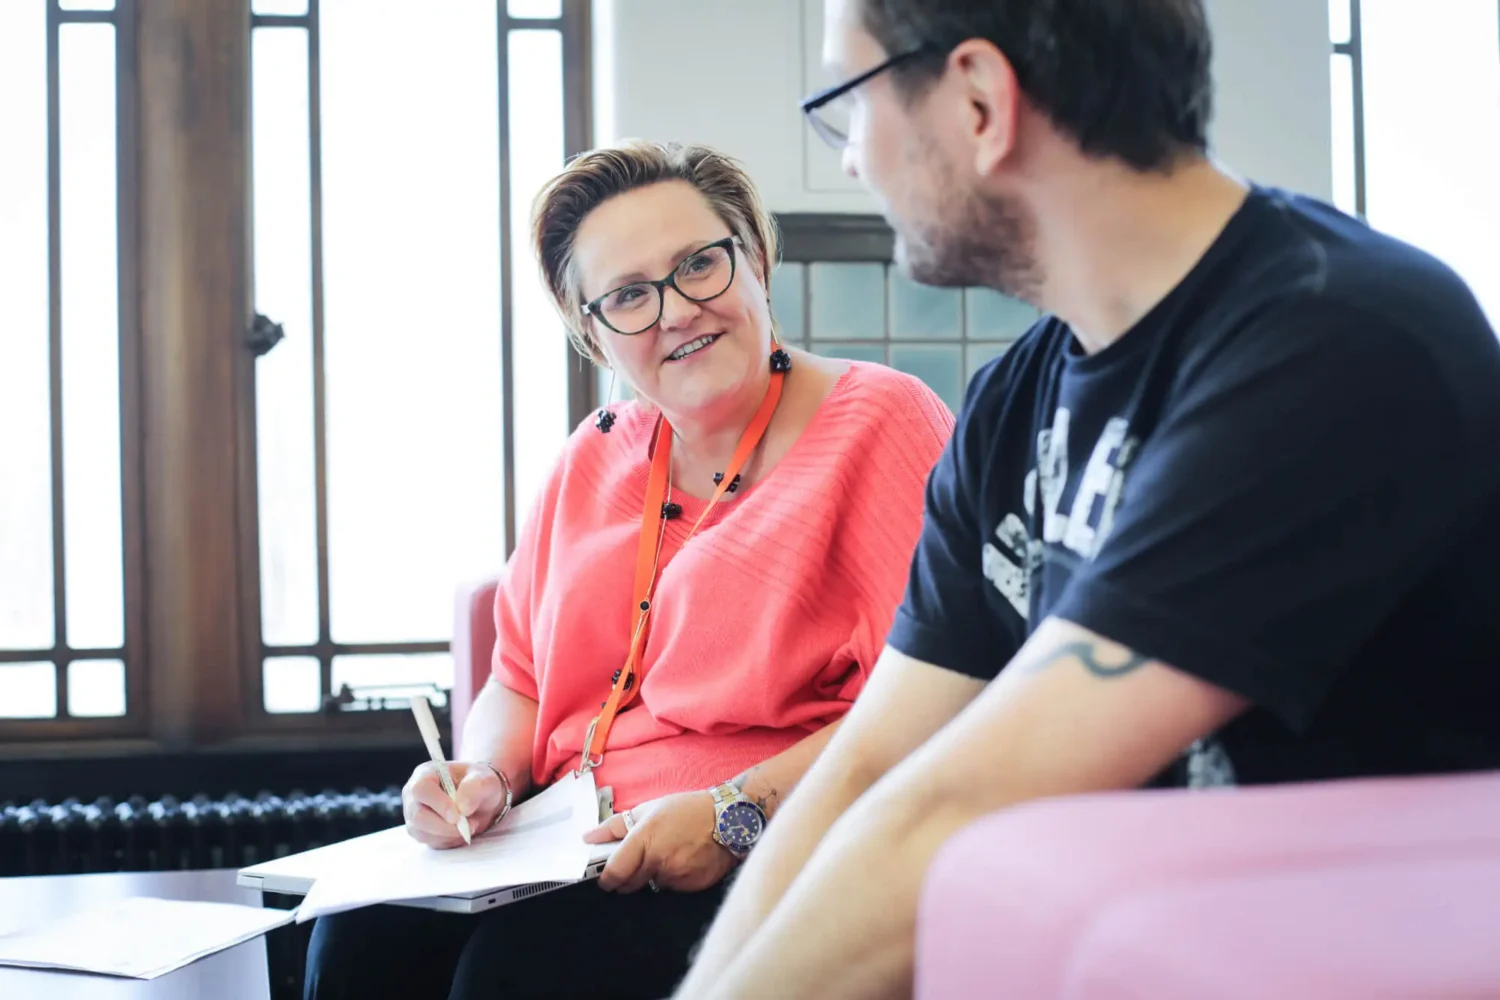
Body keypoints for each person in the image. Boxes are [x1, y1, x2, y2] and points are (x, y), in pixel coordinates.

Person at [672, 1, 1500, 997]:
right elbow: (871, 768)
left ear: (980, 101)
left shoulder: (1339, 343)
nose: (849, 159)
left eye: (850, 101)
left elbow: (952, 804)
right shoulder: (1012, 401)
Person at [301, 139, 954, 1000]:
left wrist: (733, 814)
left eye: (699, 265)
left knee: (521, 975)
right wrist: (485, 775)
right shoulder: (594, 454)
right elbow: (518, 677)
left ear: (756, 263)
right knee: (356, 937)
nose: (677, 311)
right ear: (594, 333)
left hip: (773, 839)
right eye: (630, 296)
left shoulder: (882, 423)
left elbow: (936, 700)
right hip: (563, 842)